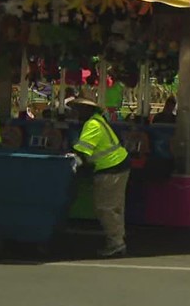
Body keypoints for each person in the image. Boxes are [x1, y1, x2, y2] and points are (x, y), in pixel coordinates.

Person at [69, 93, 130, 257]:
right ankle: (118, 239)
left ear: (87, 110)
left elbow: (82, 151)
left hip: (110, 167)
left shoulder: (92, 125)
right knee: (115, 207)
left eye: (79, 109)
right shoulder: (98, 121)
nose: (76, 112)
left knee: (105, 208)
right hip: (117, 164)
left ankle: (116, 243)